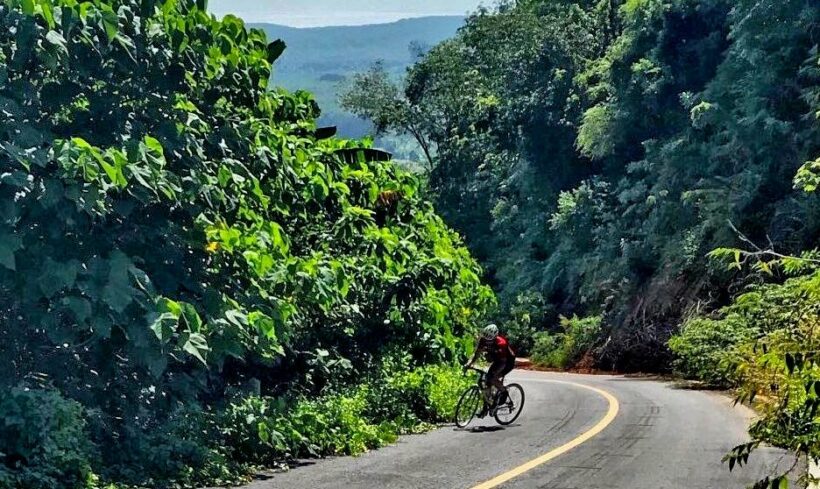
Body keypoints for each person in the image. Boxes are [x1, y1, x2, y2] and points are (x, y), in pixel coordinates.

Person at [464, 324, 516, 417]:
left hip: (507, 362)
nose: (487, 342)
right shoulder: (483, 340)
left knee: (492, 378)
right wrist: (469, 363)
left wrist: (493, 376)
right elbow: (476, 354)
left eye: (490, 340)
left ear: (495, 337)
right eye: (486, 340)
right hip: (497, 360)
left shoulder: (501, 343)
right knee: (486, 383)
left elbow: (502, 363)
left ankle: (504, 391)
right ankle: (487, 407)